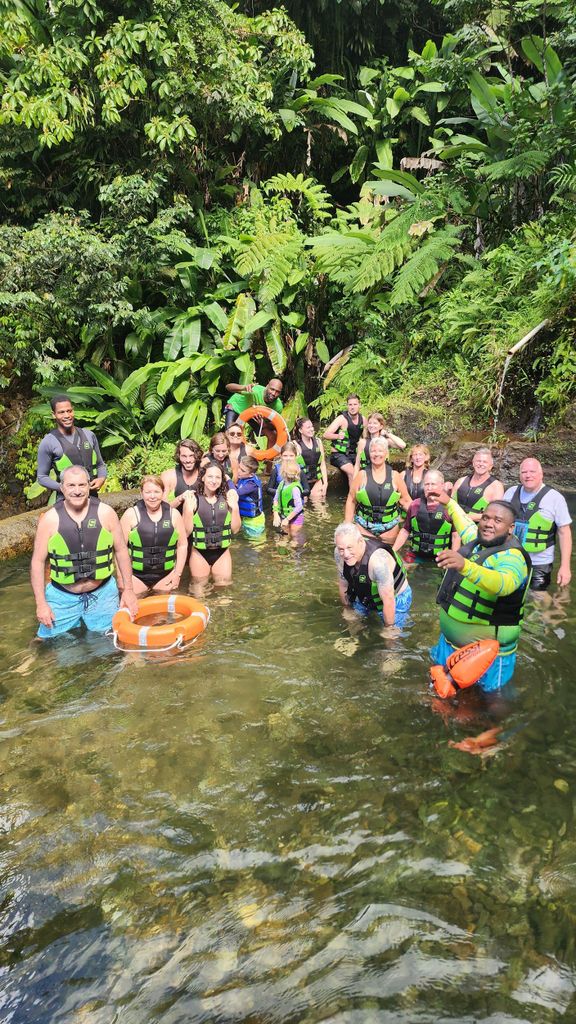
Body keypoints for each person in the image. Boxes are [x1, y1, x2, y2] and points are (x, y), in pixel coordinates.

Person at [431, 489, 531, 693]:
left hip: (488, 656)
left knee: (491, 703)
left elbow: (504, 583)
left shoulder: (513, 557)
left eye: (497, 520)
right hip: (451, 645)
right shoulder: (480, 541)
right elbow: (466, 525)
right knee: (441, 693)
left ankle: (496, 725)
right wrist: (449, 503)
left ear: (510, 528)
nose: (488, 523)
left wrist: (464, 566)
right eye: (485, 517)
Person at [30, 465, 138, 638]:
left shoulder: (106, 513)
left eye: (82, 485)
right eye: (71, 485)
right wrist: (41, 603)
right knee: (46, 643)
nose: (77, 491)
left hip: (102, 594)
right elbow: (37, 562)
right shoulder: (50, 519)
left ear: (89, 486)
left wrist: (128, 590)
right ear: (62, 487)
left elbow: (121, 551)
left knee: (112, 642)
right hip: (62, 597)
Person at [503, 458, 572, 590]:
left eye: (532, 471)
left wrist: (565, 567)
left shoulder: (555, 498)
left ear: (541, 474)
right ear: (519, 475)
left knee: (538, 600)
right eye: (524, 472)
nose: (528, 475)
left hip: (540, 563)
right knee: (507, 596)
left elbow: (565, 533)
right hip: (511, 558)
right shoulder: (510, 493)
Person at [334, 522, 412, 628]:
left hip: (396, 599)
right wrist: (347, 608)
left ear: (360, 541)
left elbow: (389, 600)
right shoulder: (339, 554)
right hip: (366, 597)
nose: (346, 554)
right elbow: (343, 584)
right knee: (350, 620)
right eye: (341, 549)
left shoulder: (378, 562)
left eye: (350, 547)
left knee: (390, 636)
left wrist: (389, 628)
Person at [120, 476, 188, 594]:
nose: (152, 496)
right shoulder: (130, 514)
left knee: (165, 610)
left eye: (156, 492)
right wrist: (122, 578)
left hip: (166, 575)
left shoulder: (174, 515)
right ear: (142, 493)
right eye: (148, 492)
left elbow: (182, 545)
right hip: (136, 577)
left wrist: (177, 574)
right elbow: (120, 548)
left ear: (163, 493)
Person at [36, 394, 108, 503]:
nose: (67, 415)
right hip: (65, 501)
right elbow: (42, 477)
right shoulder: (48, 442)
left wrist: (101, 479)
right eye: (61, 412)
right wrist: (64, 488)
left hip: (92, 498)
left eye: (69, 411)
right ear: (53, 414)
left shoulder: (89, 435)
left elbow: (100, 465)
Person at [345, 437, 411, 545]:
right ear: (369, 453)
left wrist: (422, 514)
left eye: (380, 451)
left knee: (390, 558)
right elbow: (351, 500)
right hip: (364, 527)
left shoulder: (395, 476)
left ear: (386, 454)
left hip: (389, 528)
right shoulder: (362, 475)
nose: (376, 454)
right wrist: (347, 524)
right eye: (373, 451)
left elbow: (406, 501)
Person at [182, 463, 241, 585]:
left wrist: (235, 508)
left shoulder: (227, 498)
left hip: (222, 552)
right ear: (202, 477)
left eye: (217, 477)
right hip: (199, 553)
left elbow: (235, 530)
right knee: (199, 589)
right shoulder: (193, 499)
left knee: (224, 592)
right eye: (210, 477)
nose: (213, 481)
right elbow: (186, 533)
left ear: (222, 479)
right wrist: (188, 510)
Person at [394, 470, 453, 559]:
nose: (429, 488)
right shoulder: (415, 505)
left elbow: (456, 537)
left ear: (442, 485)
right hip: (416, 556)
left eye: (433, 484)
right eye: (426, 484)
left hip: (440, 558)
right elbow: (405, 531)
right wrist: (393, 551)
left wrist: (452, 561)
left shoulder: (450, 507)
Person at [323, 394, 367, 487]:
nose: (352, 407)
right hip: (338, 454)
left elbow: (366, 438)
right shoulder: (341, 419)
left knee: (365, 471)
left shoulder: (363, 420)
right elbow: (326, 434)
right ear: (347, 406)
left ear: (359, 405)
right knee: (352, 472)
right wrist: (338, 436)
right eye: (350, 405)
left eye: (355, 404)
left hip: (354, 454)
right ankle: (353, 499)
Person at [452, 447, 504, 521]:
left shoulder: (496, 486)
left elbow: (495, 514)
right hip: (454, 526)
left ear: (490, 466)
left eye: (485, 462)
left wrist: (464, 517)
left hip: (476, 528)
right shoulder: (460, 481)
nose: (481, 464)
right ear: (473, 463)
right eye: (478, 461)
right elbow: (449, 503)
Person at [161, 439, 203, 509]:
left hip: (201, 518)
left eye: (191, 455)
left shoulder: (205, 474)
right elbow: (162, 508)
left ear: (197, 455)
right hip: (177, 518)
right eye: (184, 456)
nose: (188, 460)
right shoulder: (168, 476)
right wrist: (180, 498)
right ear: (179, 456)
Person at [294, 417, 328, 502]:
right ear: (301, 430)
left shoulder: (318, 442)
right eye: (308, 427)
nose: (311, 429)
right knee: (303, 508)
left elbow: (322, 464)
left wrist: (325, 483)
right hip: (302, 482)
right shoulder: (295, 445)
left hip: (317, 480)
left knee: (320, 507)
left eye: (312, 426)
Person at [273, 457, 305, 537]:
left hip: (296, 517)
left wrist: (287, 519)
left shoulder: (295, 488)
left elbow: (299, 506)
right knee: (284, 536)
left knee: (294, 535)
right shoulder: (281, 484)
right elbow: (275, 500)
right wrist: (276, 515)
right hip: (284, 515)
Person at [235, 455, 265, 538]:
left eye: (242, 470)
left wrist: (228, 480)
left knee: (255, 545)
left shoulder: (251, 485)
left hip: (255, 522)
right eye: (239, 467)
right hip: (246, 519)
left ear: (251, 474)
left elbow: (236, 493)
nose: (239, 471)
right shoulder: (244, 478)